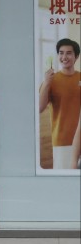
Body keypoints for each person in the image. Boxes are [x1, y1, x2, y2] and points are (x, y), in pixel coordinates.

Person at [38, 38, 81, 170]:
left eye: (69, 53)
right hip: (62, 141)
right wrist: (46, 83)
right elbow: (39, 108)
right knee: (64, 178)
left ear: (76, 56)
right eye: (61, 53)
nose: (64, 57)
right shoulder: (51, 80)